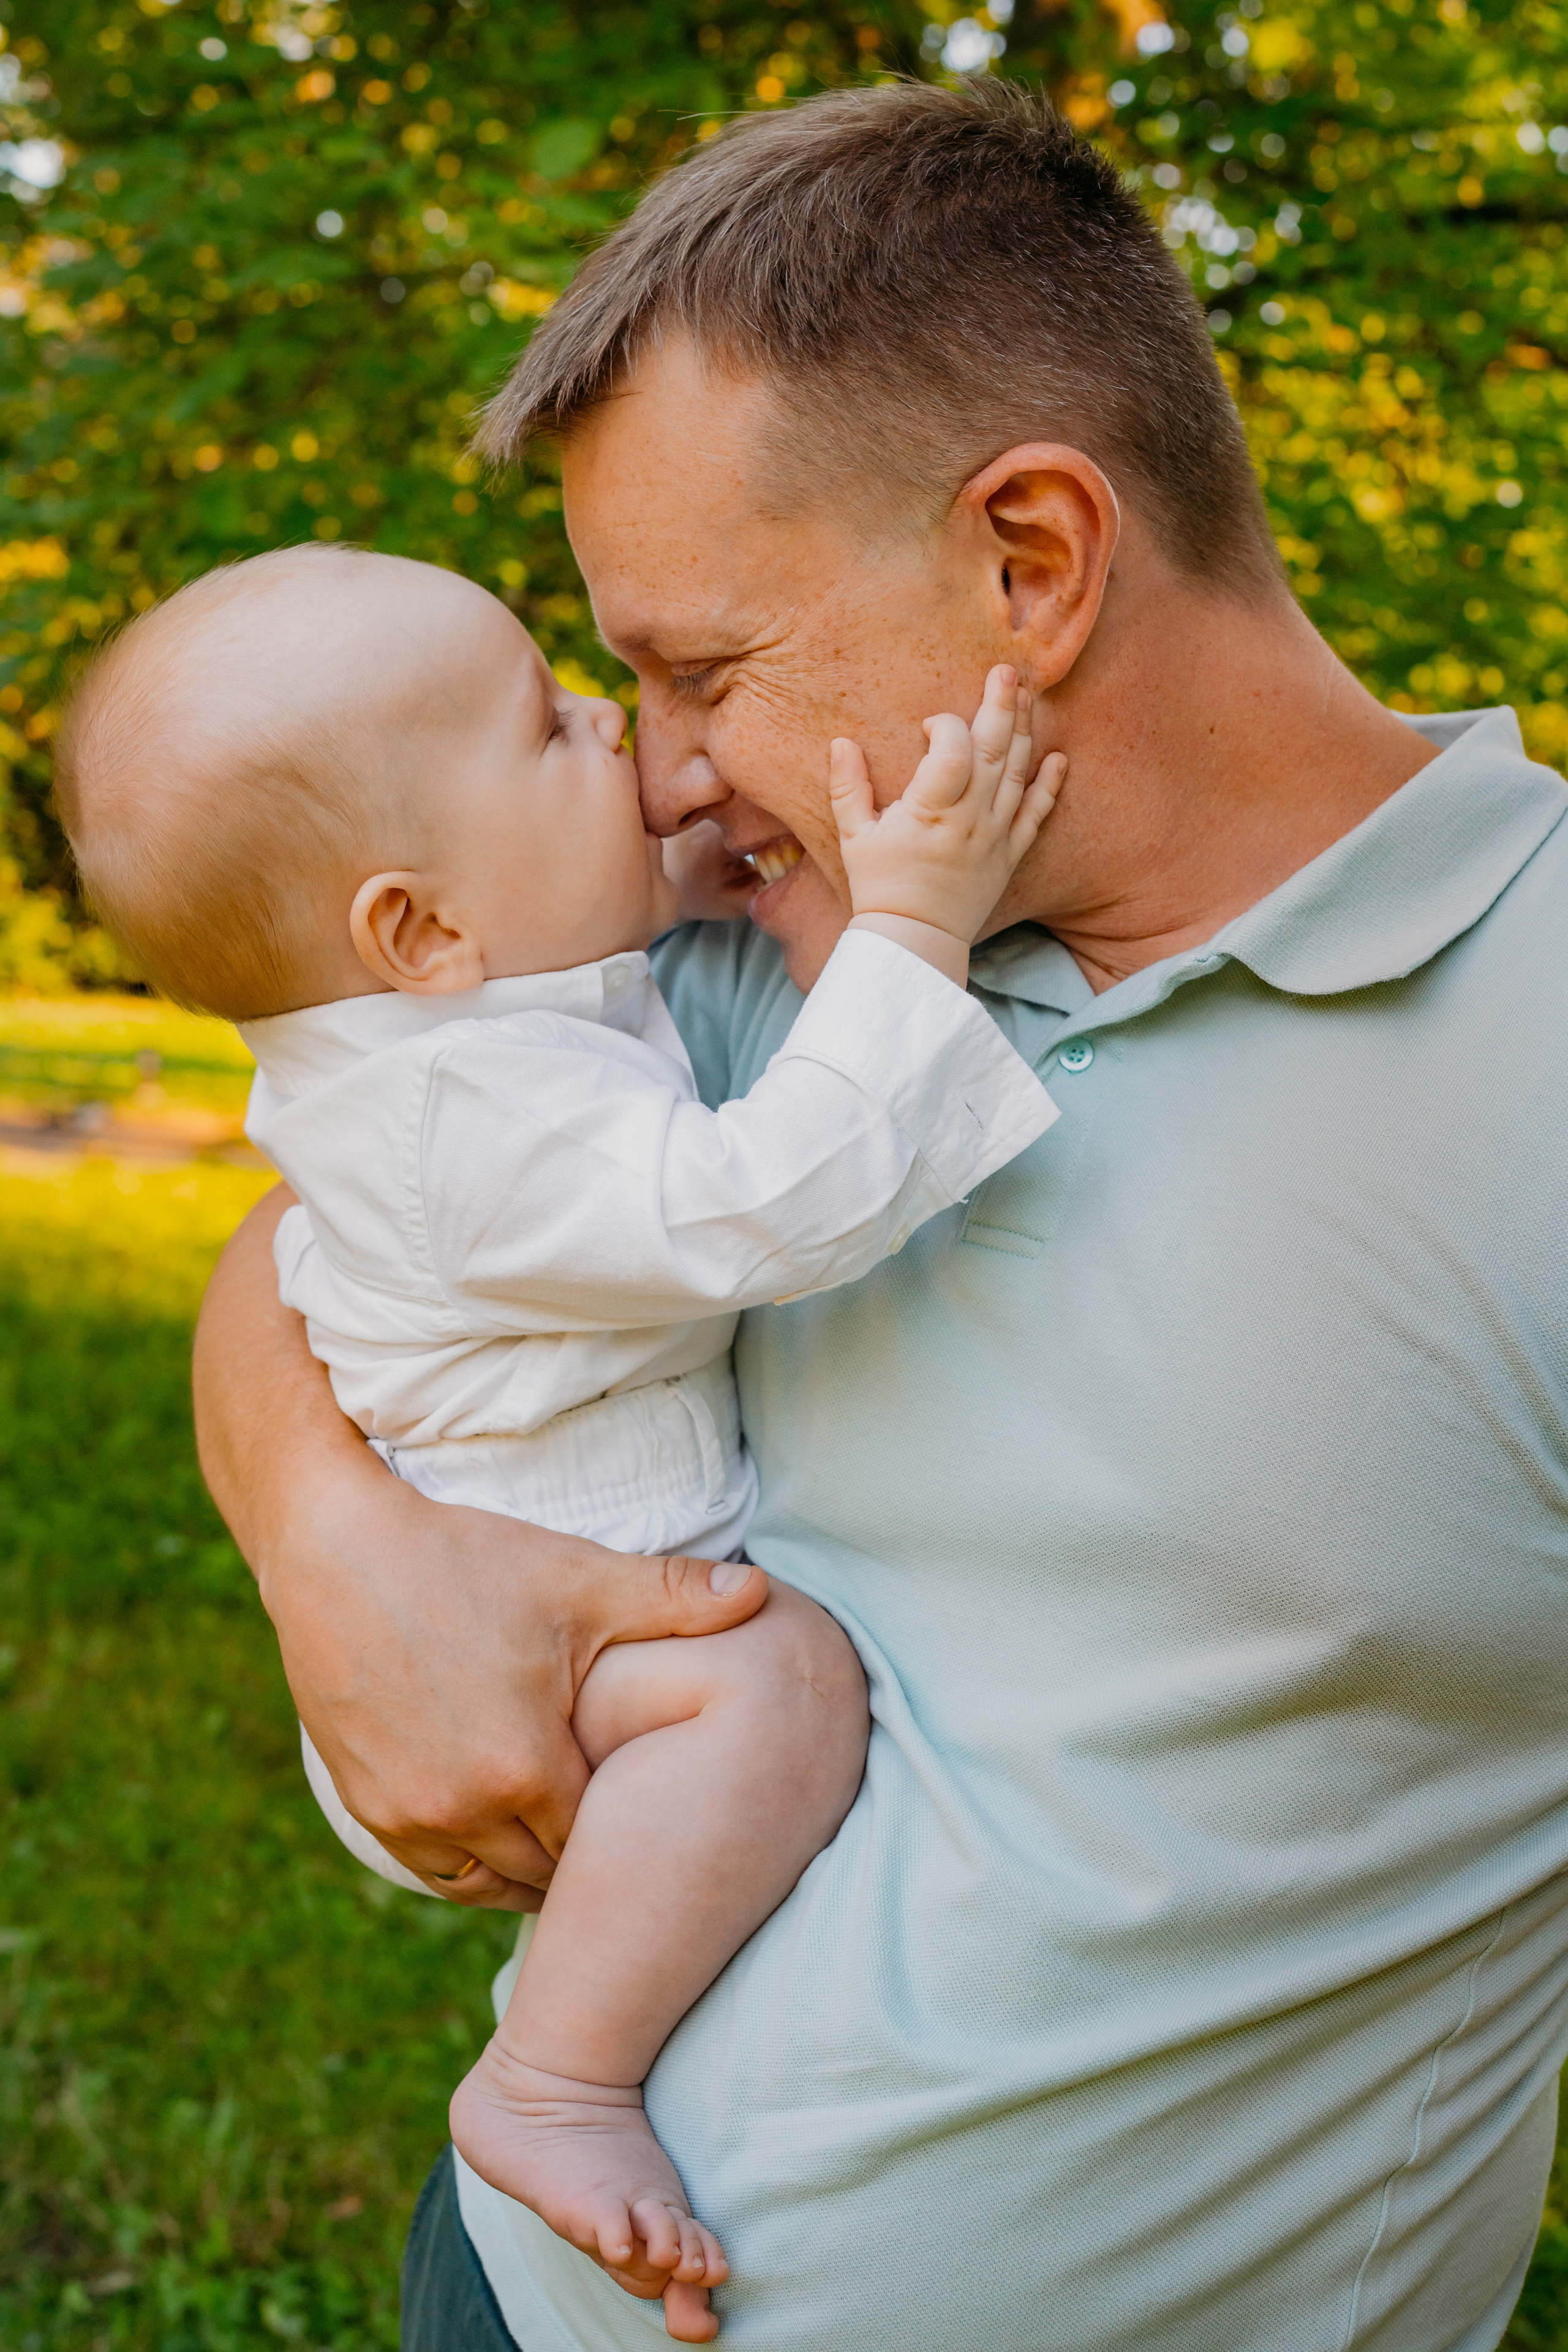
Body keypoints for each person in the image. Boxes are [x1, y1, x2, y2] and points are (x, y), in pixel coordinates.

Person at [192, 76, 1568, 2352]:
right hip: (515, 2283)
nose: (654, 774)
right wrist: (331, 1543)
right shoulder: (751, 951)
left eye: (703, 670)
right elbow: (332, 1220)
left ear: (1032, 562)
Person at [55, 546, 1060, 2340]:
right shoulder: (462, 1127)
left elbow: (595, 974)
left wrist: (660, 862)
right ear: (420, 931)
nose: (611, 726)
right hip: (521, 1663)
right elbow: (762, 1207)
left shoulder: (462, 1023)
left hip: (516, 1592)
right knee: (781, 1685)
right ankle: (555, 2077)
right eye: (551, 725)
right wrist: (915, 926)